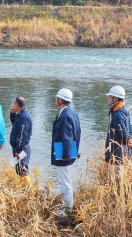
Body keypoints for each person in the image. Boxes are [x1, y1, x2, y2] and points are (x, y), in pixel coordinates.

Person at [51, 88, 81, 217]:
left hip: (63, 152)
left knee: (64, 182)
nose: (55, 100)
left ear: (61, 100)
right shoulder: (72, 113)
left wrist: (65, 155)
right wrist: (74, 152)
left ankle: (67, 210)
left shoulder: (64, 115)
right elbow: (77, 133)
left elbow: (67, 136)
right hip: (70, 151)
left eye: (57, 98)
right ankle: (67, 205)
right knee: (67, 179)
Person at [105, 85, 132, 170]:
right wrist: (130, 139)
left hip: (117, 155)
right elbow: (130, 128)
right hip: (122, 154)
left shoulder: (117, 114)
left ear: (115, 98)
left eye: (110, 96)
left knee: (116, 180)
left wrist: (128, 139)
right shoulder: (124, 110)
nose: (108, 98)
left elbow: (123, 134)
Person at [9, 97, 32, 182]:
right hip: (19, 147)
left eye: (13, 103)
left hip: (22, 148)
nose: (12, 105)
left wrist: (19, 150)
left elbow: (22, 135)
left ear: (17, 104)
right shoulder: (21, 115)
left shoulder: (24, 117)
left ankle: (30, 191)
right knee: (19, 170)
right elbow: (15, 124)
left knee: (23, 169)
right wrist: (12, 114)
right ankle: (23, 190)